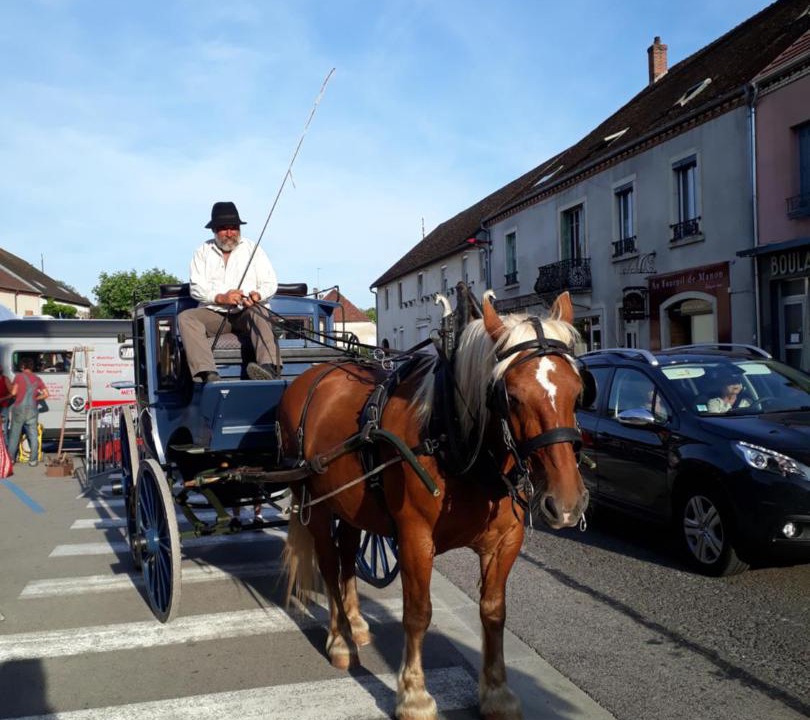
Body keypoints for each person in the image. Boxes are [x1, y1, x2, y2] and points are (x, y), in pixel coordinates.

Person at [178, 201, 282, 383]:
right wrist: (221, 297)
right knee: (186, 317)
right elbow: (196, 287)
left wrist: (257, 295)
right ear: (214, 230)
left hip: (246, 312)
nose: (229, 233)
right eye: (224, 229)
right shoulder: (202, 252)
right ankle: (207, 373)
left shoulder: (253, 249)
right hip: (215, 314)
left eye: (233, 228)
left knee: (259, 311)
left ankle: (269, 368)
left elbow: (270, 283)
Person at [8, 357, 49, 467]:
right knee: (33, 435)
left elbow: (13, 392)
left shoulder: (18, 377)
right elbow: (46, 394)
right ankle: (33, 460)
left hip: (19, 409)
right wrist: (36, 398)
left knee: (14, 435)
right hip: (32, 410)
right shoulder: (37, 378)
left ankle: (11, 459)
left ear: (22, 366)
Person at [0, 365, 13, 445]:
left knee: (3, 430)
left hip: (3, 407)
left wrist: (3, 399)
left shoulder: (5, 379)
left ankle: (6, 451)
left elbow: (12, 393)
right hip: (4, 407)